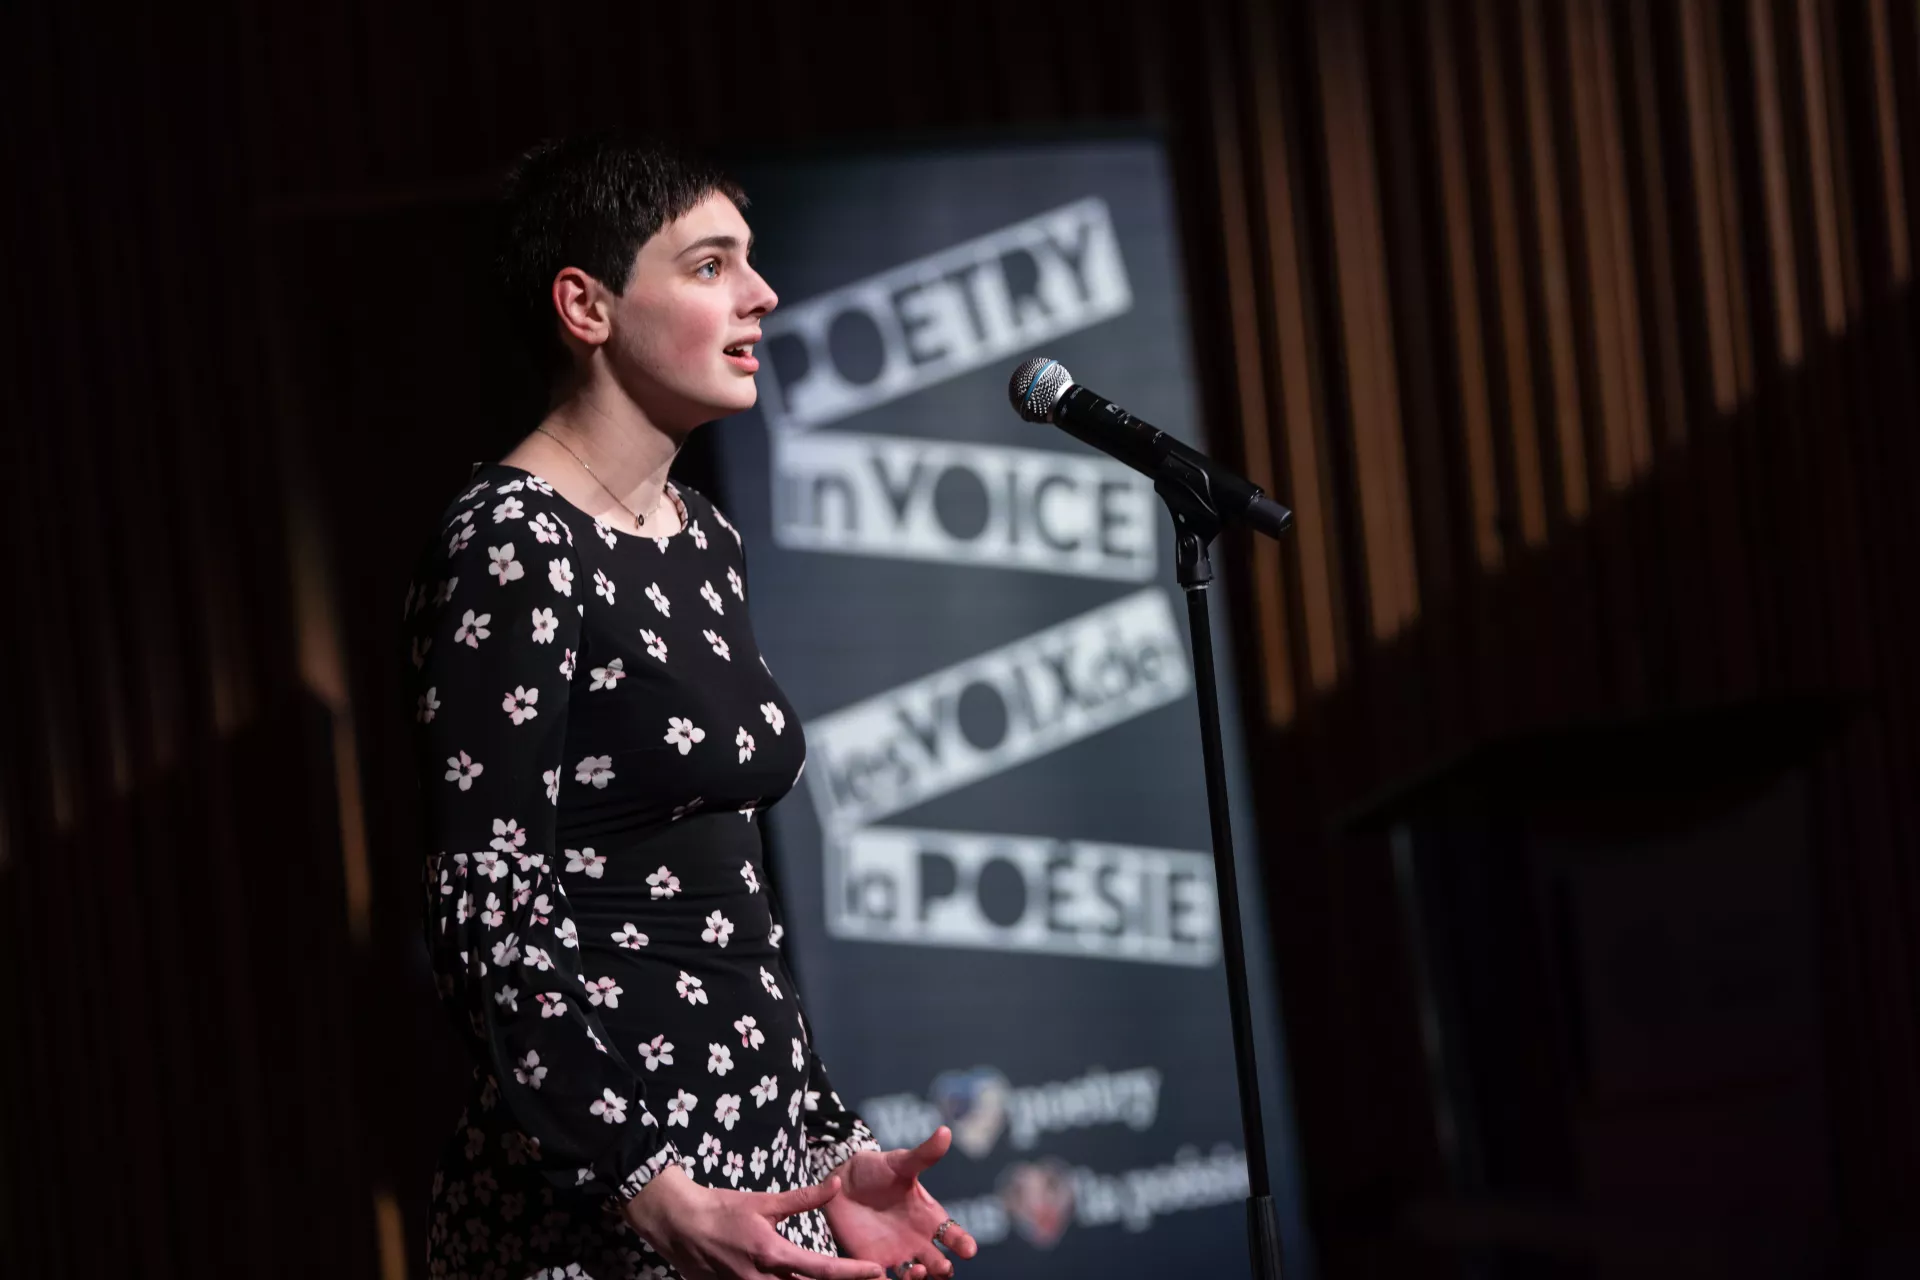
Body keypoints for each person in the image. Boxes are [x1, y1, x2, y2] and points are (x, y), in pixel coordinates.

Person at [398, 135, 979, 1280]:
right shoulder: (511, 542)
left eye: (750, 262)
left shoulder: (701, 540)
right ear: (587, 304)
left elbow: (728, 902)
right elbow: (486, 905)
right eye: (711, 265)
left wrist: (828, 1139)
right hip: (610, 1196)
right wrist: (645, 1188)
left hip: (759, 1163)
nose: (761, 294)